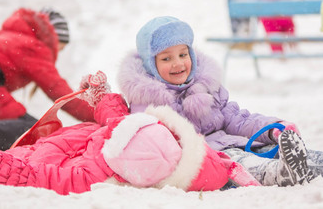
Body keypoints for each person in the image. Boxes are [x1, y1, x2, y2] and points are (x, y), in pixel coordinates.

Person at [117, 16, 323, 187]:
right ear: (150, 64)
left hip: (236, 144)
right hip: (210, 160)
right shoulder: (147, 105)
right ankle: (280, 175)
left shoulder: (205, 87)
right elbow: (163, 149)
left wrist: (272, 129)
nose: (178, 63)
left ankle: (312, 164)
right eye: (166, 59)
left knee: (268, 150)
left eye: (183, 54)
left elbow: (237, 118)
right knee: (243, 163)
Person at [0, 72, 261, 195]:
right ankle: (274, 168)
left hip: (31, 152)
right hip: (52, 141)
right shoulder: (181, 156)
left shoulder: (94, 173)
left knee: (12, 141)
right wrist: (99, 94)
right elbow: (224, 165)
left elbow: (41, 177)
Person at [0, 7, 94, 153]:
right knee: (36, 133)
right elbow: (60, 92)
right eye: (60, 49)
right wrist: (99, 113)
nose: (58, 54)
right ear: (55, 39)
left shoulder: (11, 35)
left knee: (22, 130)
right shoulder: (35, 47)